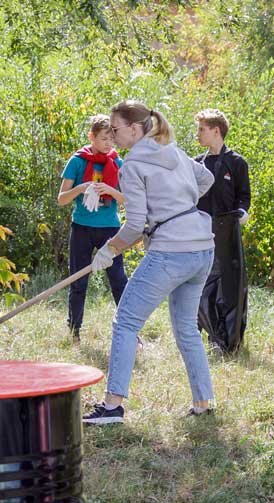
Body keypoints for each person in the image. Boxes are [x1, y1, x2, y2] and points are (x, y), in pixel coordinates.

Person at [82, 100, 216, 425]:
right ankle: (203, 401)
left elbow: (132, 226)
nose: (112, 136)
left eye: (115, 130)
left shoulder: (133, 165)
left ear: (135, 128)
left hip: (172, 251)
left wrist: (109, 250)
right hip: (202, 248)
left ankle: (112, 406)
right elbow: (206, 179)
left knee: (125, 322)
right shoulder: (174, 151)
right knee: (186, 327)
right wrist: (177, 210)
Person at [57, 115, 128, 344]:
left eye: (112, 139)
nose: (109, 143)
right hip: (82, 228)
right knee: (79, 281)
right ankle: (74, 332)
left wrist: (109, 188)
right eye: (104, 138)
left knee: (118, 280)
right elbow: (61, 199)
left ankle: (129, 331)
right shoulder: (77, 161)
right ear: (92, 137)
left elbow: (127, 199)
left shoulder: (117, 162)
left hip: (110, 228)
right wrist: (81, 188)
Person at [194, 109, 251, 352]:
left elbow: (244, 197)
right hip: (199, 234)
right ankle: (203, 333)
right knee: (201, 283)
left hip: (227, 236)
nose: (197, 134)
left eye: (201, 129)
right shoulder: (197, 163)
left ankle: (227, 339)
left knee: (227, 286)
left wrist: (242, 213)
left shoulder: (236, 163)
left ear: (216, 131)